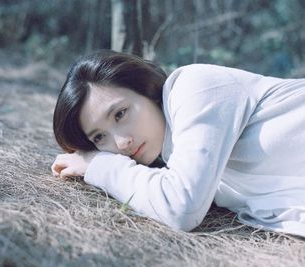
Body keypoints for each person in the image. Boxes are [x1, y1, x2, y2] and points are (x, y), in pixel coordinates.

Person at [51, 50, 305, 237]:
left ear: (147, 90)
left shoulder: (194, 86)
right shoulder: (172, 156)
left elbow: (181, 208)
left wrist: (99, 164)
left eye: (120, 114)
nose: (121, 142)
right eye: (99, 138)